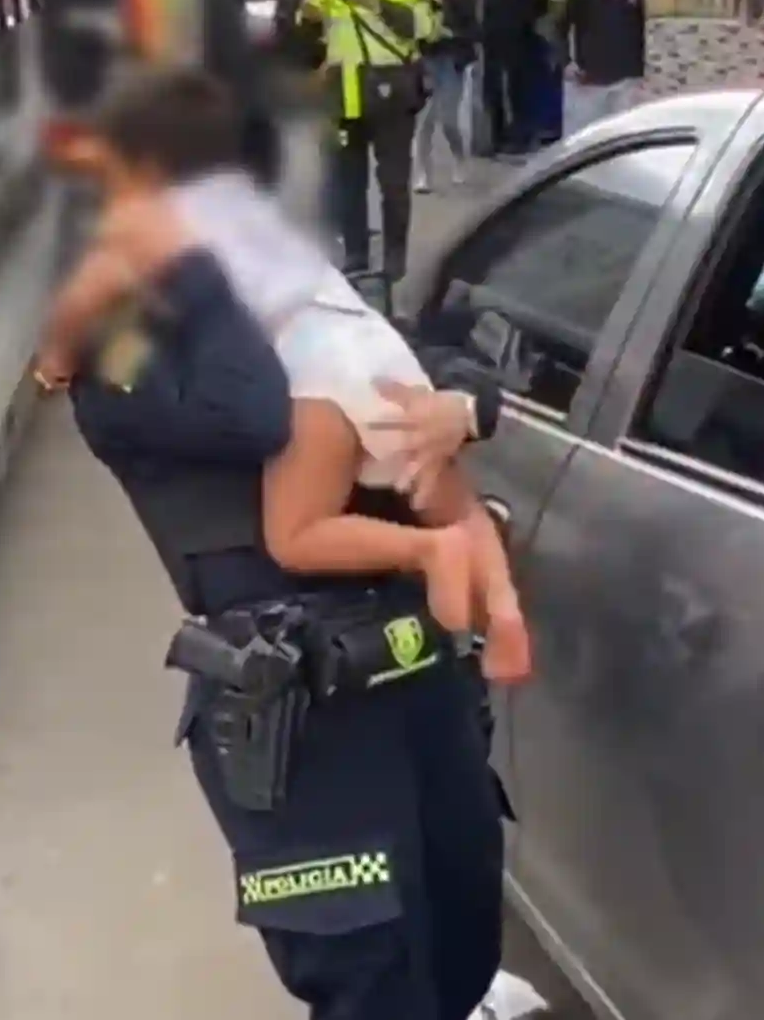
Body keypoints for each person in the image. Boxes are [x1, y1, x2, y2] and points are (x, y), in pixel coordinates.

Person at [33, 72, 516, 1020]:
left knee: (463, 941)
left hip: (419, 677)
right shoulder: (124, 355)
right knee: (370, 982)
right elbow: (252, 411)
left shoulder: (280, 285)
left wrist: (466, 407)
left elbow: (414, 350)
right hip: (302, 715)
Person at [43, 68, 532, 682]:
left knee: (297, 532)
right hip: (373, 351)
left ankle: (432, 555)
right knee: (451, 501)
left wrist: (57, 355)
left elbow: (249, 414)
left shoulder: (148, 233)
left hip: (321, 376)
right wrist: (462, 408)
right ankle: (501, 615)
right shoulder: (255, 218)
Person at [299, 0, 431, 279]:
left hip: (391, 93)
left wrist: (376, 3)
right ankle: (356, 255)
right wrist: (307, 15)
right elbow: (309, 23)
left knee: (393, 183)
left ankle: (394, 260)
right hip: (345, 94)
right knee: (349, 182)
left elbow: (420, 26)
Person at [556, 0, 646, 135]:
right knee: (586, 139)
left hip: (626, 80)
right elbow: (559, 27)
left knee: (622, 137)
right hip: (590, 81)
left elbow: (641, 28)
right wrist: (566, 62)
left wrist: (641, 71)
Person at [414, 0, 477, 192]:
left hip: (451, 62)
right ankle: (422, 174)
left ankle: (459, 157)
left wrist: (452, 34)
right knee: (425, 122)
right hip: (427, 63)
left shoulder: (461, 0)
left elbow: (475, 32)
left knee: (448, 119)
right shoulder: (419, 2)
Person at [480, 0, 549, 155]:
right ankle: (499, 137)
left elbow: (540, 3)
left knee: (518, 90)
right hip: (496, 42)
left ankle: (519, 137)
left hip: (520, 41)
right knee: (496, 91)